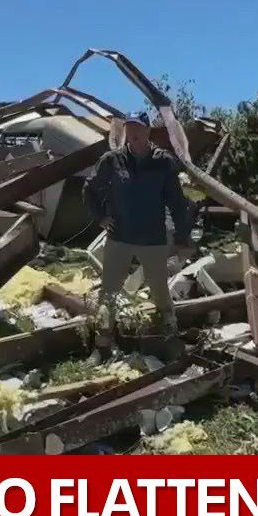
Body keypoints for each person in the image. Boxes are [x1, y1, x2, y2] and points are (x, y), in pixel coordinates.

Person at [83, 111, 193, 364]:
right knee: (108, 293)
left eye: (138, 128)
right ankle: (101, 347)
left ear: (148, 132)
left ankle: (171, 338)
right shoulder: (113, 160)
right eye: (129, 128)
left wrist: (182, 237)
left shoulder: (162, 162)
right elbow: (89, 189)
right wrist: (100, 217)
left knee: (160, 291)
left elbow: (177, 203)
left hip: (153, 239)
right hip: (120, 237)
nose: (132, 133)